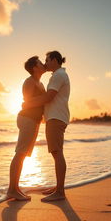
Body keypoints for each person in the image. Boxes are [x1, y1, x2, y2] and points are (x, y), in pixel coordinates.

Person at [23, 51, 70, 202]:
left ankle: (60, 192)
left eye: (47, 60)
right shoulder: (58, 75)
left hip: (56, 118)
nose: (45, 63)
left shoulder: (58, 75)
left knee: (57, 152)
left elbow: (49, 96)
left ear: (55, 60)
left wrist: (28, 104)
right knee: (57, 152)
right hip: (55, 117)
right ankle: (58, 188)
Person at [7, 56, 46, 201]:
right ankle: (12, 190)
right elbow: (28, 102)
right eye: (40, 63)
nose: (43, 64)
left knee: (23, 154)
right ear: (34, 67)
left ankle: (15, 188)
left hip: (33, 120)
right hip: (27, 119)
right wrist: (47, 97)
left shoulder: (39, 83)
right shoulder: (29, 81)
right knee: (20, 153)